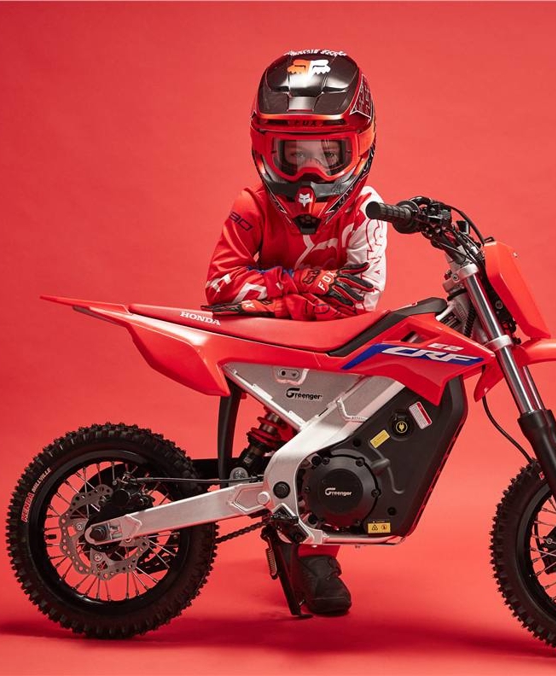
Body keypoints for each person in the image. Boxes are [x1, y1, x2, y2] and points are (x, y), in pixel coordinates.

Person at [202, 50, 387, 615]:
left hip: (332, 354)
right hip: (264, 351)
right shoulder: (253, 205)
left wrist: (270, 296)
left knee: (351, 434)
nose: (311, 174)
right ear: (267, 150)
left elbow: (360, 300)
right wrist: (306, 281)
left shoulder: (366, 209)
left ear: (357, 146)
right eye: (293, 153)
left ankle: (314, 545)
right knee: (320, 430)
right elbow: (220, 290)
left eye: (328, 153)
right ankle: (304, 542)